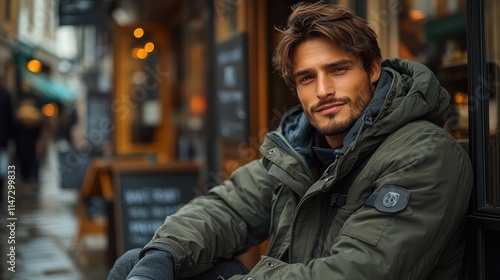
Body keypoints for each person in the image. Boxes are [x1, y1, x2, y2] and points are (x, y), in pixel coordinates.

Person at [109, 2, 473, 279]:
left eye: (338, 70)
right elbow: (230, 207)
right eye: (306, 78)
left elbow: (358, 271)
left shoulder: (424, 154)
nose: (324, 90)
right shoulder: (304, 149)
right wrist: (161, 256)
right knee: (139, 263)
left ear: (373, 68)